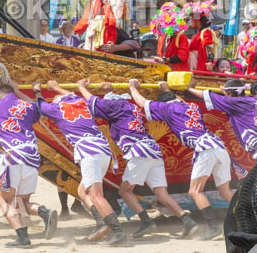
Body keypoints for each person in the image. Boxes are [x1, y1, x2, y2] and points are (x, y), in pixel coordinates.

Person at [78, 79, 198, 239]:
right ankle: (187, 221)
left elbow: (92, 101)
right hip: (153, 150)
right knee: (161, 193)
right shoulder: (133, 107)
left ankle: (146, 221)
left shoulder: (115, 105)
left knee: (125, 191)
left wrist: (82, 87)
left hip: (139, 151)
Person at [128, 78, 231, 239]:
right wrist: (167, 89)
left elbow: (143, 103)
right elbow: (178, 101)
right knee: (225, 192)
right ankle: (246, 218)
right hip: (219, 146)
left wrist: (132, 88)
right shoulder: (192, 107)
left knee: (195, 191)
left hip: (205, 149)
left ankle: (213, 227)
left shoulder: (167, 108)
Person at [34, 79, 123, 245]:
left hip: (89, 151)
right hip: (103, 150)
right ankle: (100, 221)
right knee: (82, 191)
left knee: (96, 195)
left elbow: (40, 104)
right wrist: (56, 87)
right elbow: (71, 96)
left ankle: (117, 231)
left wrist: (36, 89)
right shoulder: (82, 103)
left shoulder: (57, 108)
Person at [0, 81, 58, 248]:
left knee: (4, 200)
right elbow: (37, 108)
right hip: (33, 158)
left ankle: (23, 238)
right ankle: (44, 212)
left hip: (14, 157)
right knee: (22, 202)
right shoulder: (27, 106)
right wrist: (20, 91)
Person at [187, 78, 257, 162]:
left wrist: (189, 88)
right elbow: (230, 99)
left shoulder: (234, 102)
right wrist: (226, 92)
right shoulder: (250, 100)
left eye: (227, 94)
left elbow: (207, 95)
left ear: (230, 94)